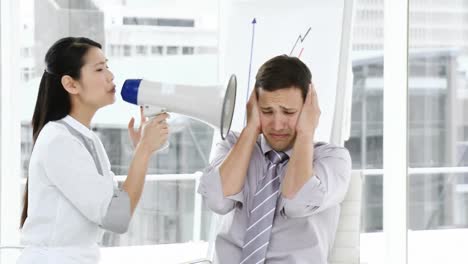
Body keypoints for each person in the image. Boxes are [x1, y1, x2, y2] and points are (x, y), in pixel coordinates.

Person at [18, 37, 169, 264]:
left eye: (107, 66)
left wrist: (142, 150)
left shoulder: (87, 139)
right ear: (71, 84)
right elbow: (117, 218)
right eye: (99, 69)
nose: (110, 76)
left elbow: (116, 206)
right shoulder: (59, 141)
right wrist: (144, 150)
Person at [198, 55, 352, 264]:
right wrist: (251, 128)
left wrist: (306, 132)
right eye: (267, 111)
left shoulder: (333, 159)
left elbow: (297, 203)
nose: (277, 125)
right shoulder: (233, 146)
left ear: (308, 109)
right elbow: (217, 201)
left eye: (288, 112)